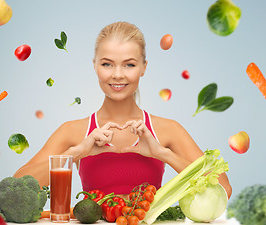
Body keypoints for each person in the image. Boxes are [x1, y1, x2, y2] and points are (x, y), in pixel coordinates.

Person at [14, 21, 232, 199]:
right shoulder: (73, 131)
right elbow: (16, 187)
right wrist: (76, 153)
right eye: (107, 64)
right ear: (94, 66)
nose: (117, 74)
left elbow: (223, 189)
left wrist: (163, 154)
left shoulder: (167, 129)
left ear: (143, 68)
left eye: (129, 64)